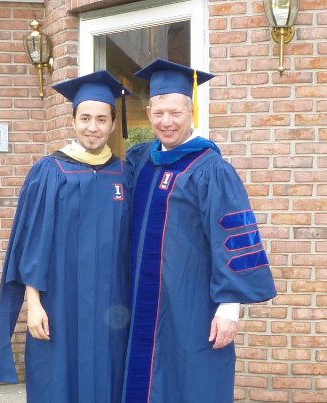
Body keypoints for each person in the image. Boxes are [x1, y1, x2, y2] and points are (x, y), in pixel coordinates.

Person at [122, 59, 277, 403]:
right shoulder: (141, 162)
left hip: (193, 301)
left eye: (175, 112)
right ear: (148, 112)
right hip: (143, 298)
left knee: (193, 378)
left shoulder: (210, 169)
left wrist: (229, 308)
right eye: (159, 112)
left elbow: (235, 238)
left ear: (191, 112)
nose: (167, 122)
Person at [0, 70, 132, 403]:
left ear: (113, 124)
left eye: (101, 119)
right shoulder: (50, 171)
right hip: (59, 300)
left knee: (111, 375)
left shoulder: (125, 174)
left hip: (112, 302)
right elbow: (31, 243)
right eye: (85, 118)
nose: (92, 127)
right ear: (72, 120)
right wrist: (33, 302)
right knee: (57, 378)